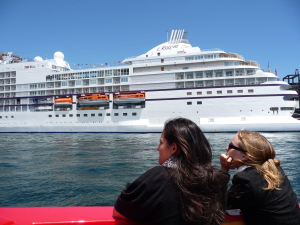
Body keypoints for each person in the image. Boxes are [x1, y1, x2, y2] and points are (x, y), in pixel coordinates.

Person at [113, 118, 229, 225]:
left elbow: (120, 211)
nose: (157, 148)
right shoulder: (214, 177)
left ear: (173, 148)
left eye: (161, 143)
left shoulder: (159, 176)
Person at [220, 130, 300, 225]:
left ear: (244, 156)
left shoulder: (245, 179)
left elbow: (220, 203)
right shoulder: (274, 168)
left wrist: (224, 170)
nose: (226, 148)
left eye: (230, 146)